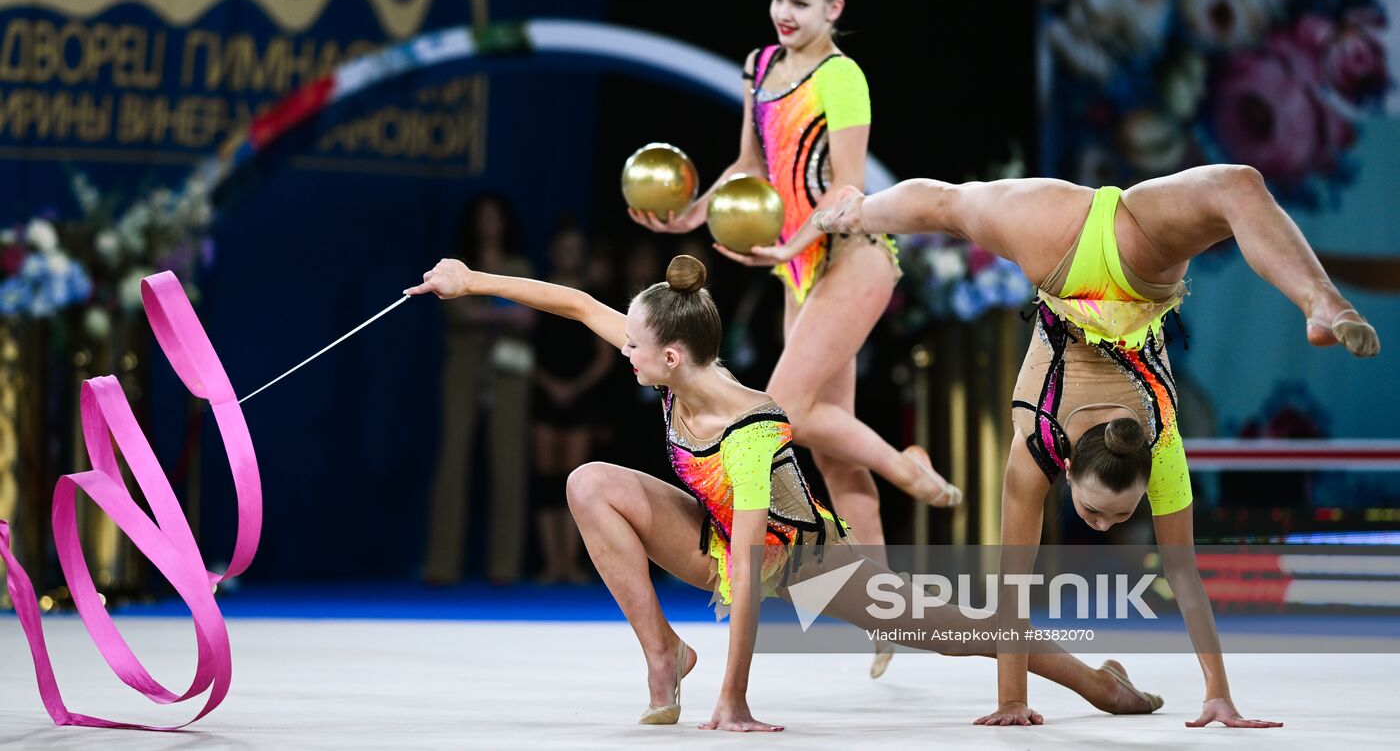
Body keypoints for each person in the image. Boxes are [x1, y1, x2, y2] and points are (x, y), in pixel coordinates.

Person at [408, 254, 1165, 731]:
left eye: (633, 347)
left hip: (809, 560)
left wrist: (734, 702)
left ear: (670, 355)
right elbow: (576, 303)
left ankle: (1101, 684)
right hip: (712, 531)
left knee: (955, 630)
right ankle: (665, 651)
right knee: (588, 482)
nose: (622, 352)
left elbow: (748, 570)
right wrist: (472, 280)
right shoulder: (668, 356)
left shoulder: (749, 432)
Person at [807, 165, 1380, 727]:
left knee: (1239, 185)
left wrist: (1220, 695)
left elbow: (1034, 581)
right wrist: (1011, 700)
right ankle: (858, 210)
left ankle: (1323, 301)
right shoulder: (1161, 445)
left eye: (1106, 513)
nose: (1104, 526)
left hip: (1070, 255)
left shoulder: (1039, 443)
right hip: (1129, 263)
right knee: (948, 204)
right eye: (1104, 512)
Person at [629, 0, 958, 676]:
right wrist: (694, 215)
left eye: (801, 3)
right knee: (830, 450)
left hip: (854, 256)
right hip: (800, 268)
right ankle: (886, 612)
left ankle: (910, 468)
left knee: (783, 413)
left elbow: (848, 187)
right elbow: (752, 166)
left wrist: (792, 241)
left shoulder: (843, 78)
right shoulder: (761, 66)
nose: (783, 13)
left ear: (834, 8)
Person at [422, 194, 535, 585]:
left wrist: (483, 312)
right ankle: (441, 565)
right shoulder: (454, 266)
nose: (489, 225)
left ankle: (505, 567)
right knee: (452, 460)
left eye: (495, 218)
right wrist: (500, 314)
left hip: (510, 372)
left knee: (509, 464)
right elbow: (462, 313)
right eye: (483, 218)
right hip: (464, 366)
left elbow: (528, 318)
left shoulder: (519, 266)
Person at [532, 221, 613, 583]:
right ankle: (552, 563)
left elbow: (606, 355)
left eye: (575, 248)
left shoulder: (592, 297)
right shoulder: (538, 293)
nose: (569, 254)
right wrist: (549, 384)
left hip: (582, 396)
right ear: (553, 251)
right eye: (563, 247)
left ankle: (573, 562)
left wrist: (576, 387)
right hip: (545, 393)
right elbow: (527, 346)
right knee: (546, 480)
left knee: (576, 481)